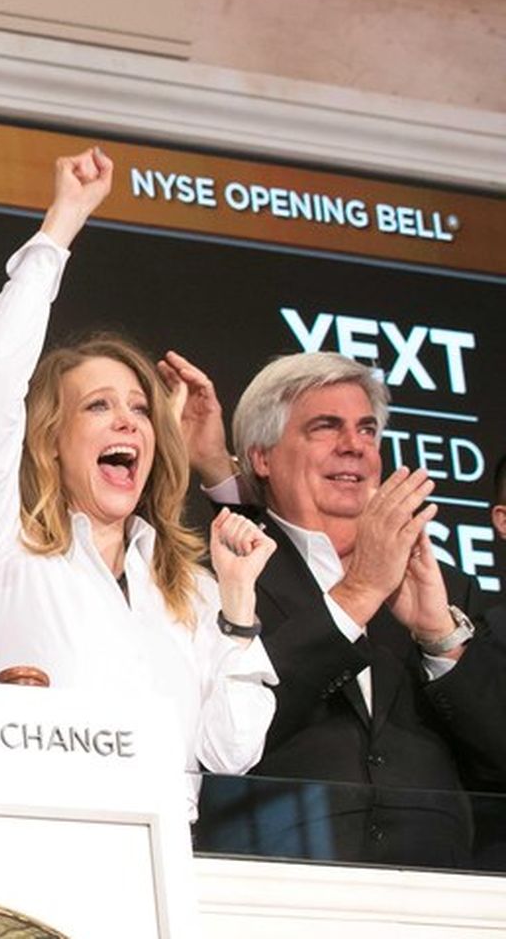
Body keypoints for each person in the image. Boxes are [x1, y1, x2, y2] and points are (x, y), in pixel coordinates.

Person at [0, 149, 278, 795]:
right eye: (99, 406)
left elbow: (231, 752)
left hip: (168, 843)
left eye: (139, 409)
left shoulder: (191, 589)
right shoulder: (1, 546)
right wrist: (61, 225)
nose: (127, 422)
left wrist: (238, 607)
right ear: (50, 441)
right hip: (48, 833)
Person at [164, 349, 506, 867]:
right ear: (262, 458)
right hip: (275, 879)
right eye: (325, 427)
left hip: (442, 886)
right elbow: (225, 741)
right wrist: (359, 592)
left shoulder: (446, 588)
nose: (354, 446)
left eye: (367, 430)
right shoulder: (217, 578)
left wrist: (440, 638)